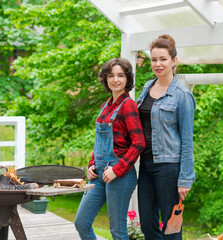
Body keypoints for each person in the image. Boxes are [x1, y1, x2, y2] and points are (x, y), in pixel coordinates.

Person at [74, 58, 145, 240]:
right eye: (111, 75)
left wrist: (117, 170)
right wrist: (91, 164)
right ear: (105, 79)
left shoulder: (128, 105)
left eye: (120, 75)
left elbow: (138, 143)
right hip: (98, 173)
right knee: (81, 223)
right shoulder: (105, 106)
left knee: (117, 231)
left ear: (127, 79)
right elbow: (100, 140)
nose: (115, 80)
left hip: (119, 174)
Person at [136, 34, 196, 240]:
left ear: (174, 61)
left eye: (163, 59)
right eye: (154, 59)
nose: (158, 64)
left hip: (169, 168)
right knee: (146, 222)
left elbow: (187, 140)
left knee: (171, 227)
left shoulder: (182, 96)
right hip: (146, 164)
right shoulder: (146, 87)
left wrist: (185, 178)